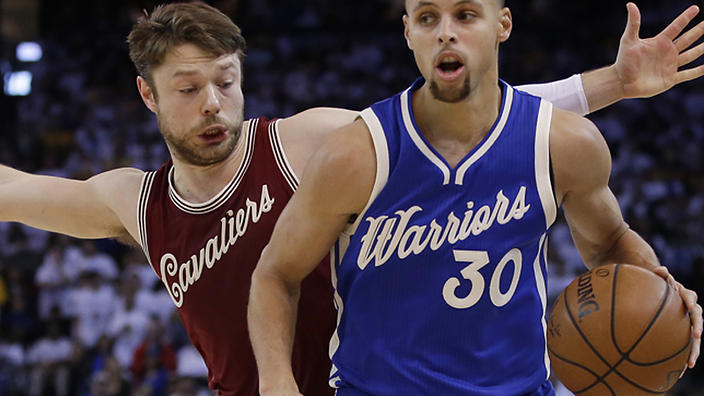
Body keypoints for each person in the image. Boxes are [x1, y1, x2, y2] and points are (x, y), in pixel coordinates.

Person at [1, 1, 704, 395]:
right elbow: (17, 192)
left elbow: (463, 116)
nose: (214, 103)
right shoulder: (135, 203)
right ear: (148, 96)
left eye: (226, 81)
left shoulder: (305, 144)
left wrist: (611, 84)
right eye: (188, 89)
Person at [247, 1, 704, 395]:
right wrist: (276, 383)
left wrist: (656, 283)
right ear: (408, 33)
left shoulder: (564, 144)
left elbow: (609, 244)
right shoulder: (354, 155)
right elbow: (276, 273)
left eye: (465, 14)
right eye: (427, 18)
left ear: (502, 25)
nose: (446, 31)